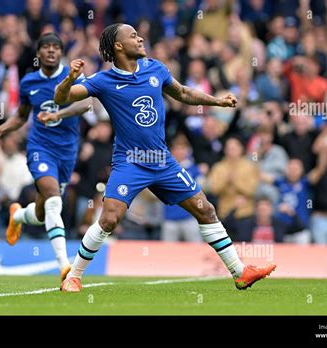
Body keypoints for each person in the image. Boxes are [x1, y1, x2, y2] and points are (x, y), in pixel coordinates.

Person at [51, 23, 276, 292]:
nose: (141, 38)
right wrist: (69, 77)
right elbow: (61, 98)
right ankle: (73, 276)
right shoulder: (103, 80)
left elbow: (181, 93)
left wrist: (216, 101)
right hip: (130, 160)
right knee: (110, 218)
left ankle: (239, 272)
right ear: (119, 46)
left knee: (205, 209)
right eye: (133, 35)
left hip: (162, 159)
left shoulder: (156, 68)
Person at [0, 32, 92, 283]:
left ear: (61, 53)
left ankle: (18, 216)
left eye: (56, 47)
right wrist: (3, 129)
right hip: (40, 148)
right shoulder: (29, 82)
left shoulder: (72, 76)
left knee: (43, 213)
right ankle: (65, 266)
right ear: (38, 54)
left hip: (67, 151)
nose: (51, 51)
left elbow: (85, 105)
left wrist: (58, 115)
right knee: (54, 202)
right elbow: (22, 115)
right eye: (46, 47)